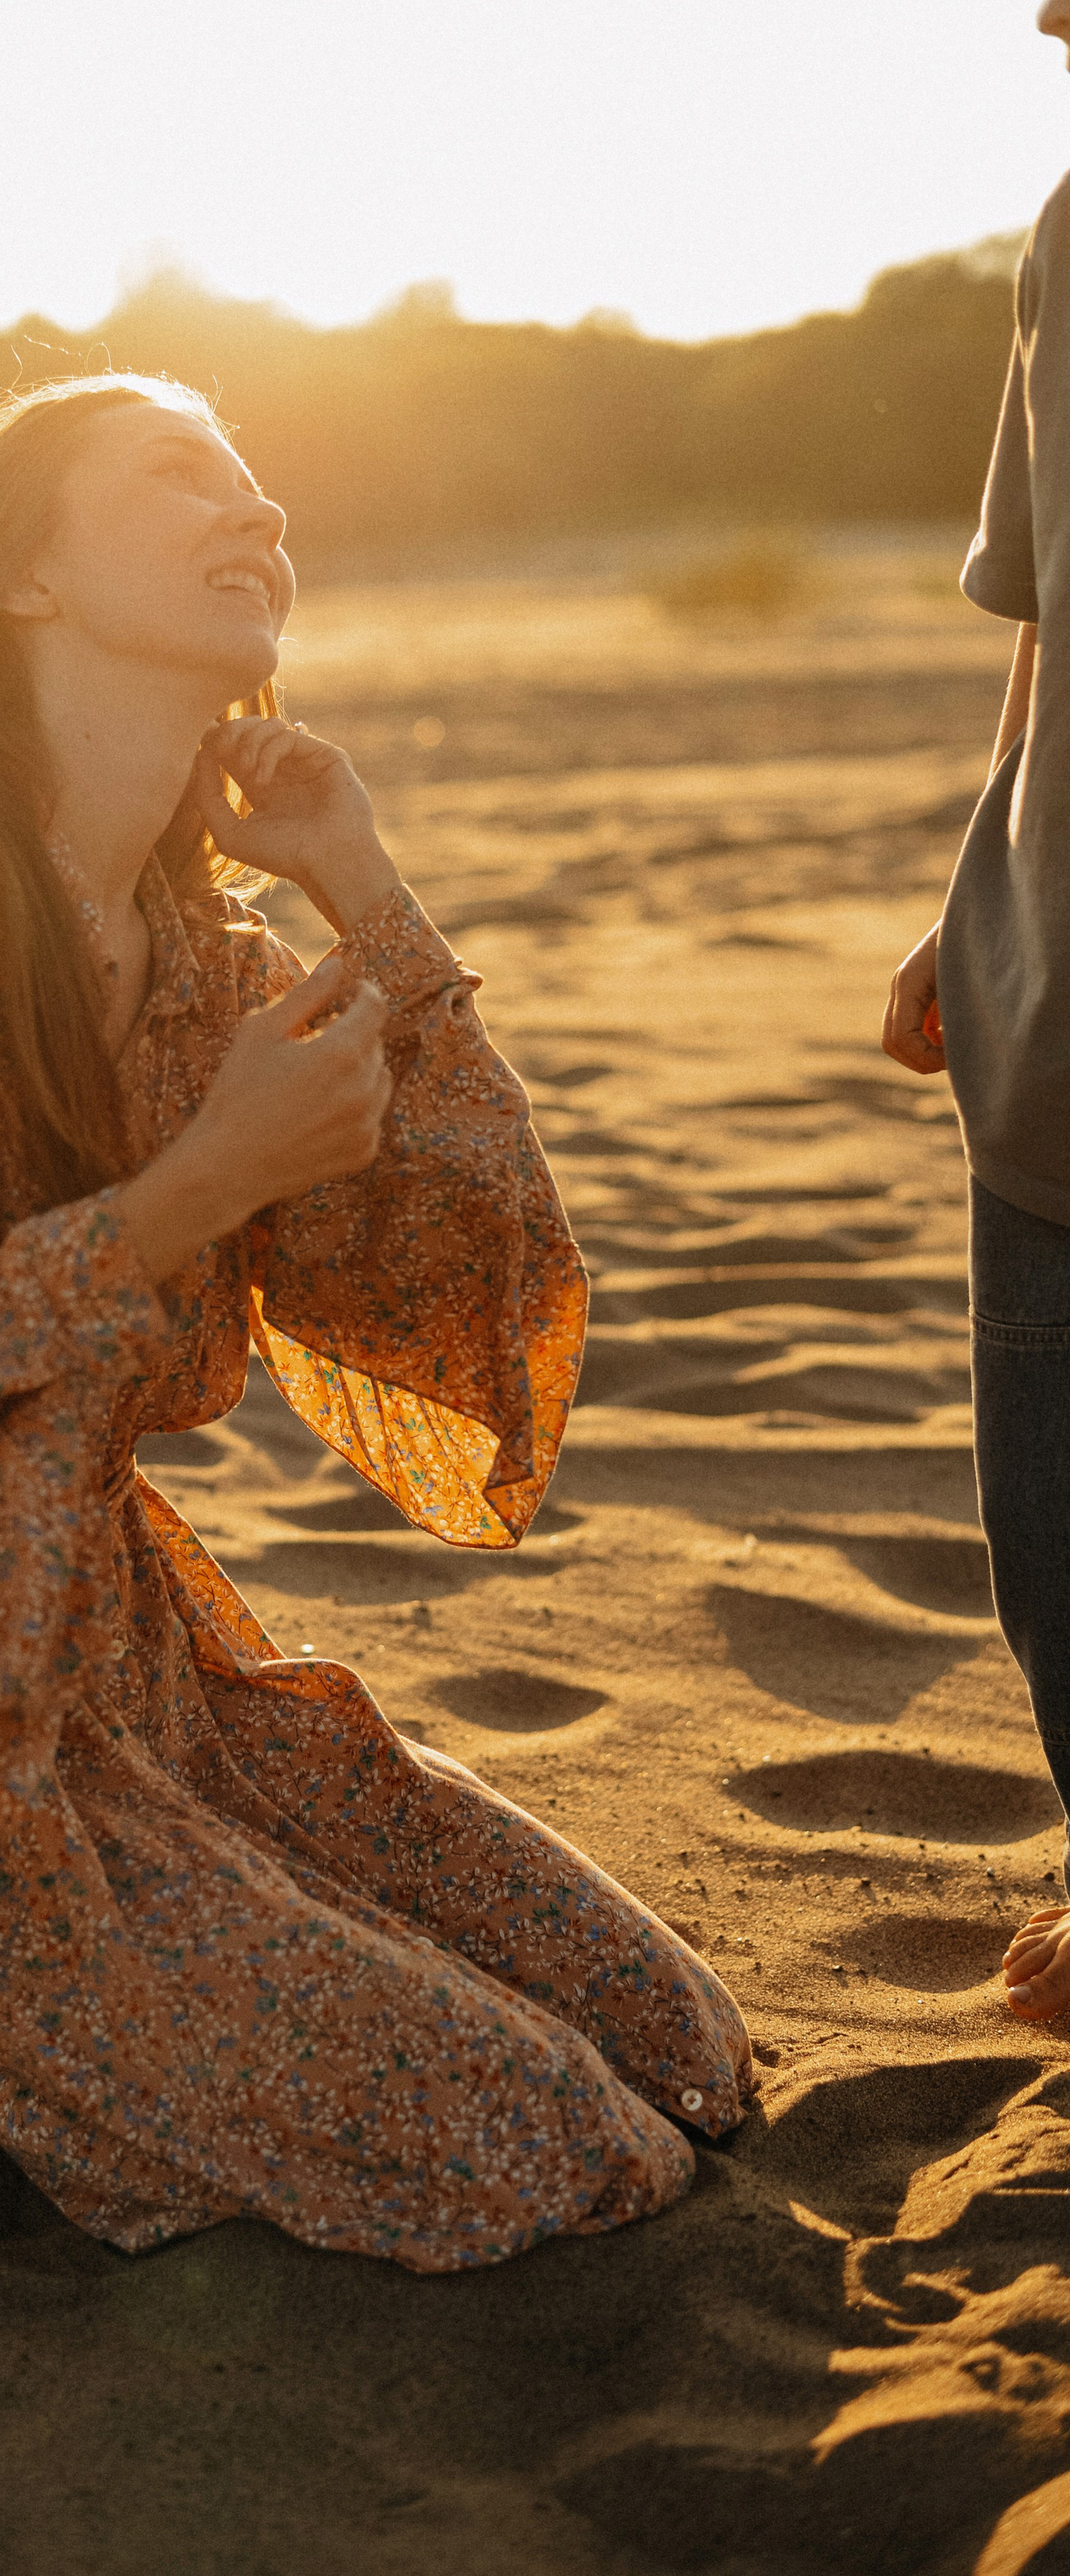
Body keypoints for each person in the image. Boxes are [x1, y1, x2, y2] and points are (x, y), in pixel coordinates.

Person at [0, 371, 750, 2271]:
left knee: (680, 2049)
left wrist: (365, 883)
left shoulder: (204, 953)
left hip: (145, 1680)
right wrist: (191, 1188)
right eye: (184, 473)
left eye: (265, 484)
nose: (254, 509)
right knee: (559, 2150)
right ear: (24, 577)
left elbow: (448, 1284)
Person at [883, 0, 1070, 2022]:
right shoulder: (1066, 232)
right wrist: (986, 869)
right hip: (1050, 1001)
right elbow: (1044, 615)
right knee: (1048, 1513)